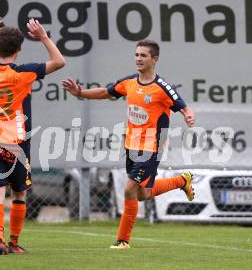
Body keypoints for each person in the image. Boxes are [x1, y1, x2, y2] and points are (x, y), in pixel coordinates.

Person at [62, 40, 196, 249]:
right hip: (131, 146)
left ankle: (122, 240)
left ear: (155, 59)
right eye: (136, 55)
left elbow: (182, 106)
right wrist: (80, 93)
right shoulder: (129, 82)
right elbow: (106, 92)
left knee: (129, 189)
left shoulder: (162, 87)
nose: (138, 59)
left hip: (151, 147)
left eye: (143, 55)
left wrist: (188, 115)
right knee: (143, 194)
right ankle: (181, 181)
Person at [0, 16, 65, 255]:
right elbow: (59, 62)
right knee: (19, 192)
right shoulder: (24, 73)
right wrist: (44, 37)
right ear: (18, 50)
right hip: (18, 142)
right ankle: (14, 242)